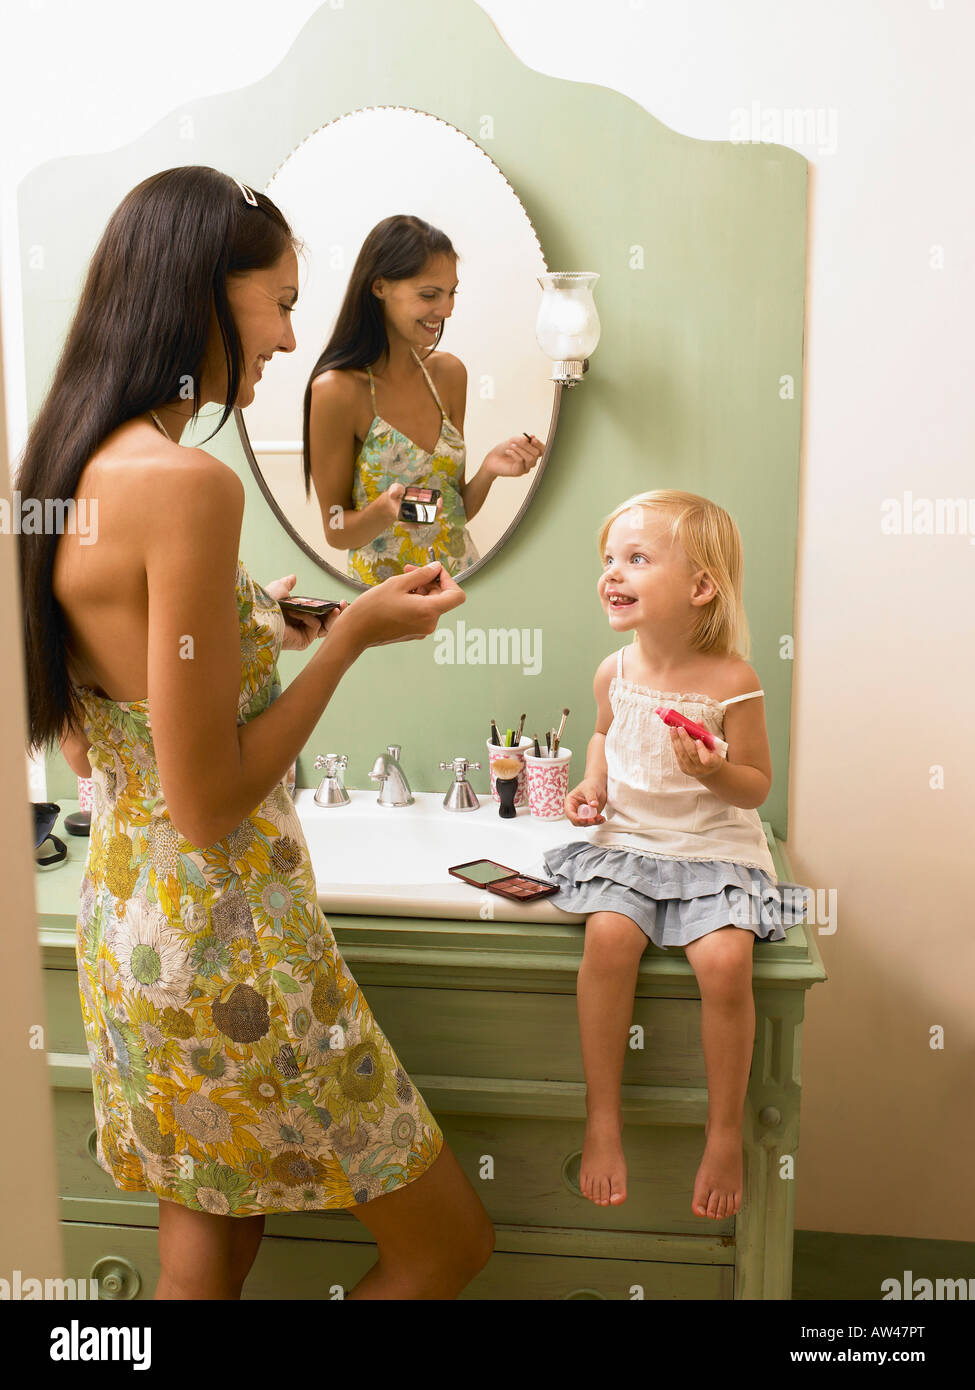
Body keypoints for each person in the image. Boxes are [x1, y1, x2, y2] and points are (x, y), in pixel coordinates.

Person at [16, 166, 495, 1299]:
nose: (290, 336)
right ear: (200, 294)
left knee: (220, 1235)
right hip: (233, 936)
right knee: (447, 1244)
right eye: (277, 300)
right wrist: (352, 636)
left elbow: (103, 728)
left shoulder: (69, 461)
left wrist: (264, 620)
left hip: (133, 925)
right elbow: (211, 797)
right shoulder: (187, 485)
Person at [539, 490, 812, 1220]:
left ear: (699, 587)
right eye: (609, 559)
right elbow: (600, 733)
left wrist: (711, 773)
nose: (612, 573)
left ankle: (722, 1132)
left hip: (713, 843)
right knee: (606, 937)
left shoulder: (731, 681)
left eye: (636, 559)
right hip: (630, 840)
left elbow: (754, 786)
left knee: (725, 962)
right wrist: (591, 785)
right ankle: (603, 1117)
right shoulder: (613, 672)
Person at [301, 214, 543, 583]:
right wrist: (385, 511)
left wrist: (490, 470)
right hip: (382, 600)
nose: (447, 310)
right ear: (379, 287)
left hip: (460, 584)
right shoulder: (336, 390)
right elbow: (336, 529)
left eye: (451, 293)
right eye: (429, 294)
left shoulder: (450, 374)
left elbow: (451, 513)